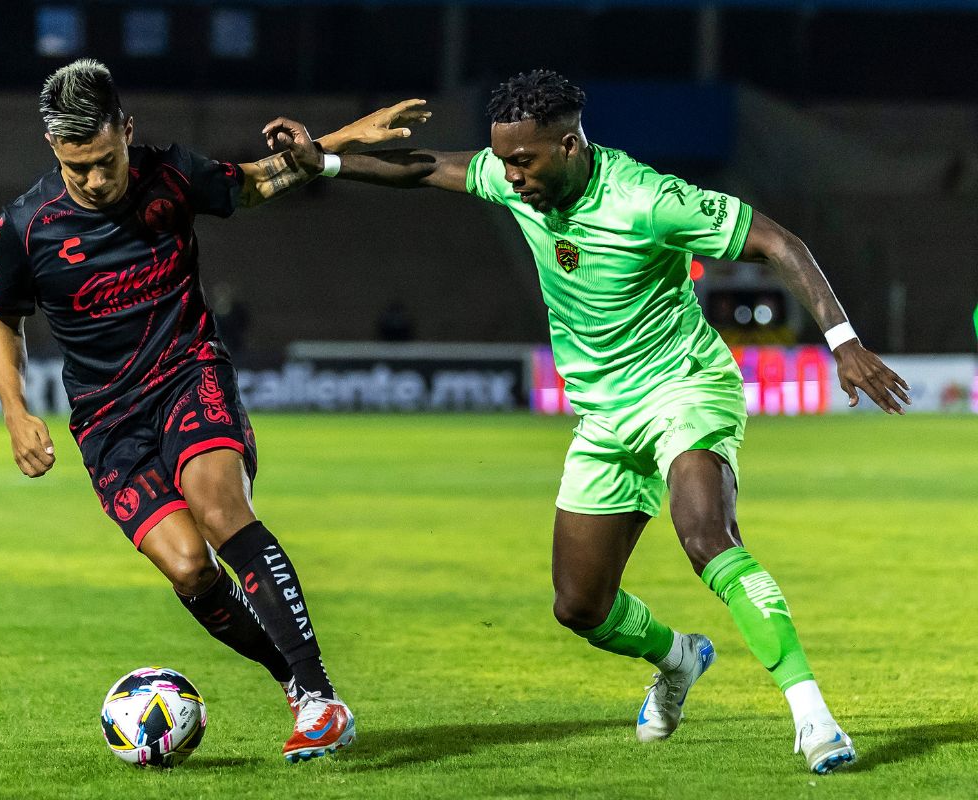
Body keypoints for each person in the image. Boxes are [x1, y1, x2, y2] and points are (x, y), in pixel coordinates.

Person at [273, 70, 911, 774]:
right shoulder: (508, 175)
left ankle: (813, 716)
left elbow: (779, 242)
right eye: (504, 160)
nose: (509, 176)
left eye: (524, 160)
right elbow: (424, 169)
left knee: (705, 534)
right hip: (604, 417)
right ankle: (678, 658)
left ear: (571, 146)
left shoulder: (649, 199)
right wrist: (325, 161)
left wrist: (843, 342)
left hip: (684, 389)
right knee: (579, 606)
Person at [0, 58, 427, 763]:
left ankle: (321, 699)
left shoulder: (172, 176)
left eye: (105, 161)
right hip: (108, 423)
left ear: (127, 131)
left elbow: (256, 181)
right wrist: (14, 411)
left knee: (220, 509)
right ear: (52, 150)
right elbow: (3, 318)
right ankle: (291, 678)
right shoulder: (27, 226)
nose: (97, 181)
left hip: (190, 373)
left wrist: (342, 139)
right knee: (190, 569)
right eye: (78, 168)